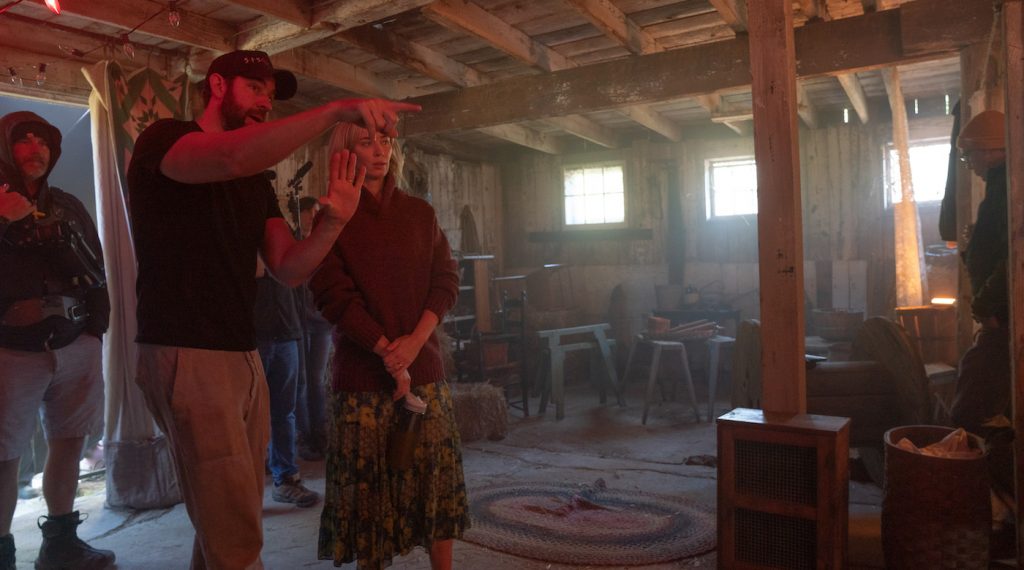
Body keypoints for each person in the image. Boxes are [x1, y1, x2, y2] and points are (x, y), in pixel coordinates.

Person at [126, 49, 419, 569]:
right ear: (217, 85)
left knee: (226, 518)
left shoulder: (252, 181)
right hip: (188, 350)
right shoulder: (164, 139)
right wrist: (333, 112)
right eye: (255, 88)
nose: (266, 101)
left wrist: (334, 223)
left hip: (242, 352)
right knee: (237, 531)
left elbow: (288, 268)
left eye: (271, 93)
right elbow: (228, 157)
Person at [311, 122, 469, 570]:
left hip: (424, 372)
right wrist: (385, 351)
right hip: (361, 382)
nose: (379, 150)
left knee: (435, 483)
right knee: (368, 494)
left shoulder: (420, 213)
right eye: (365, 142)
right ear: (344, 152)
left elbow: (446, 279)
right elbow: (333, 296)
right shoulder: (330, 218)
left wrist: (414, 345)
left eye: (384, 141)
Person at [0, 112, 113, 570]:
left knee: (69, 440)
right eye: (23, 141)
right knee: (4, 455)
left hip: (75, 340)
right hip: (11, 349)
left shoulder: (67, 204)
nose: (35, 149)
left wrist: (95, 332)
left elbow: (97, 268)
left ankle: (62, 543)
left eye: (42, 141)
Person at [948, 110, 1012, 506]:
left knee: (970, 413)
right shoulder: (1000, 189)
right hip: (1001, 319)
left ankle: (1006, 502)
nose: (968, 164)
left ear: (990, 152)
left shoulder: (1008, 191)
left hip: (1002, 322)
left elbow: (1014, 255)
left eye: (970, 155)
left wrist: (988, 304)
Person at [253, 262, 319, 507]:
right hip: (252, 335)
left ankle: (286, 480)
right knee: (248, 417)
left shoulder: (280, 240)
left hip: (287, 332)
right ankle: (246, 492)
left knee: (284, 412)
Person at [295, 197, 330, 461]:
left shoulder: (324, 244)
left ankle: (320, 433)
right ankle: (305, 436)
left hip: (321, 322)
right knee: (303, 381)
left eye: (315, 212)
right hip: (300, 322)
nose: (311, 216)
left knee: (317, 380)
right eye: (308, 212)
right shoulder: (293, 242)